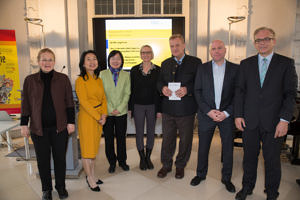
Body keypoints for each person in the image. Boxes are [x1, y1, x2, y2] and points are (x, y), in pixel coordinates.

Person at [234, 27, 298, 200]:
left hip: (274, 123)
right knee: (249, 159)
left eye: (266, 39)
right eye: (258, 40)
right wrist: (238, 115)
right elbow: (240, 91)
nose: (262, 43)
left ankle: (271, 192)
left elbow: (290, 94)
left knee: (272, 161)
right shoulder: (246, 64)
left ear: (273, 41)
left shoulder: (286, 63)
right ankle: (247, 187)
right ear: (254, 43)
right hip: (250, 121)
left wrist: (285, 120)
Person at [21, 48, 75, 200]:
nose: (47, 62)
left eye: (50, 59)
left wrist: (71, 122)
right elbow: (25, 104)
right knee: (43, 161)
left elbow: (69, 103)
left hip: (60, 128)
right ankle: (46, 189)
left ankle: (61, 187)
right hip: (39, 130)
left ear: (54, 62)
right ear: (38, 62)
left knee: (60, 160)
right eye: (44, 59)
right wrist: (24, 124)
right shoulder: (29, 80)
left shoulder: (63, 79)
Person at [191, 40, 238, 193]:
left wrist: (226, 113)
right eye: (213, 49)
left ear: (225, 50)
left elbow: (238, 94)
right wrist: (208, 111)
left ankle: (227, 178)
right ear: (210, 51)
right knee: (203, 147)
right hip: (207, 115)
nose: (216, 51)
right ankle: (200, 174)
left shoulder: (235, 69)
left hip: (227, 116)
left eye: (219, 48)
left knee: (228, 149)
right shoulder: (202, 68)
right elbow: (197, 91)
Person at [157, 34, 202, 179]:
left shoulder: (195, 62)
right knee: (167, 139)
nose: (174, 48)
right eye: (172, 46)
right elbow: (159, 82)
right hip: (168, 109)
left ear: (184, 45)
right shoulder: (165, 63)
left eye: (177, 45)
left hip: (186, 110)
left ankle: (180, 165)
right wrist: (163, 88)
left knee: (185, 140)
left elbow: (200, 82)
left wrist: (187, 89)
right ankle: (166, 165)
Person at [75, 50, 107, 192]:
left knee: (93, 149)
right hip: (88, 118)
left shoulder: (98, 79)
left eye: (94, 59)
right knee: (87, 150)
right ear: (83, 63)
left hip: (99, 117)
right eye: (88, 59)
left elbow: (104, 99)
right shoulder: (80, 80)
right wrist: (98, 116)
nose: (92, 62)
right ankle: (89, 178)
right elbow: (84, 102)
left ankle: (92, 175)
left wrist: (104, 114)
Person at [129, 45, 161, 170]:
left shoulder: (158, 70)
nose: (146, 54)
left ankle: (148, 157)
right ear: (140, 54)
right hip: (138, 106)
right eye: (143, 52)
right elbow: (131, 90)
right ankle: (142, 158)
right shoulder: (134, 70)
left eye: (148, 52)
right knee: (139, 133)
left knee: (151, 132)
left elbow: (159, 92)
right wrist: (130, 107)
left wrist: (159, 109)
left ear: (152, 54)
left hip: (153, 105)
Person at [100, 50, 131, 173]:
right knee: (108, 139)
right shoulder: (102, 74)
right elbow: (101, 94)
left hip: (121, 112)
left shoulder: (126, 75)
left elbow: (127, 92)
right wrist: (111, 109)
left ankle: (122, 161)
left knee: (121, 138)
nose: (115, 61)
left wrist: (120, 108)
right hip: (107, 112)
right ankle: (112, 162)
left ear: (122, 61)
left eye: (118, 58)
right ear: (109, 60)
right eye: (113, 58)